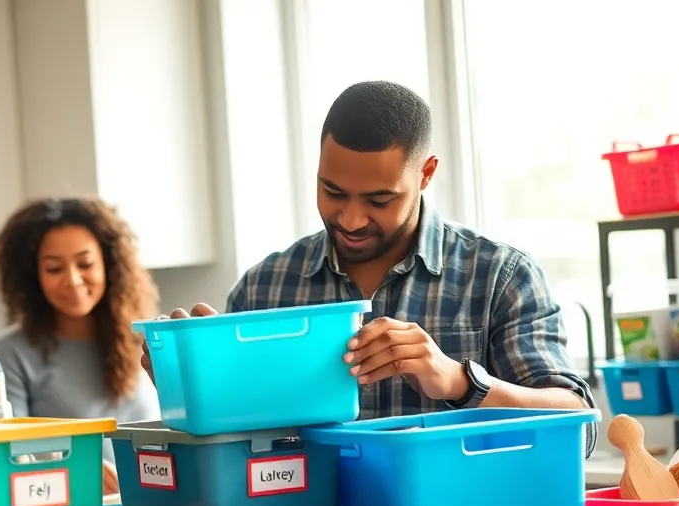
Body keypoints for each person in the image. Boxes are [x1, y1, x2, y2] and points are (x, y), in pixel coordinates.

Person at [154, 80, 597, 454]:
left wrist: (459, 382)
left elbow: (579, 428)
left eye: (379, 200)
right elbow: (232, 449)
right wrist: (187, 387)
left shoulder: (500, 277)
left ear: (425, 174)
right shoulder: (262, 289)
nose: (350, 220)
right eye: (333, 191)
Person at [0, 197, 161, 493]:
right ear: (33, 276)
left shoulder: (148, 340)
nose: (72, 279)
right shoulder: (12, 355)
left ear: (109, 265)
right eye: (54, 268)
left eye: (85, 264)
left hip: (158, 502)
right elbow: (6, 457)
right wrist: (75, 472)